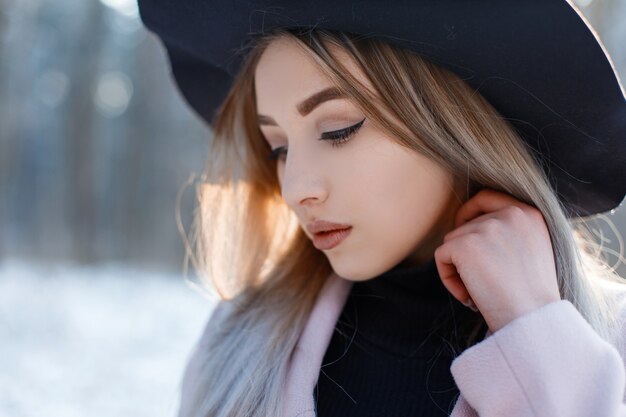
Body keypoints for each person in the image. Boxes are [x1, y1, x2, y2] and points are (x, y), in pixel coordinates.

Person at [138, 1, 626, 416]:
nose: (296, 189)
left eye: (338, 130)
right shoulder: (237, 343)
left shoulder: (610, 343)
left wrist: (536, 331)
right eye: (278, 148)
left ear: (453, 127)